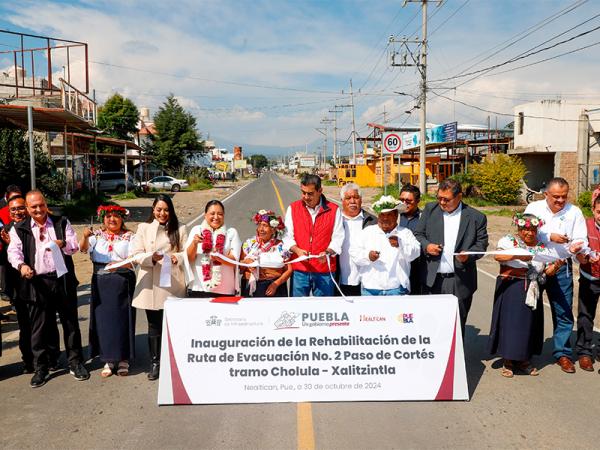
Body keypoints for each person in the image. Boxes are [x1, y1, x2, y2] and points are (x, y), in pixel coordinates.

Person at [7, 190, 89, 388]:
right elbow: (13, 252)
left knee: (70, 324)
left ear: (46, 204)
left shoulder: (61, 222)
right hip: (37, 282)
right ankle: (41, 367)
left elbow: (73, 246)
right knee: (39, 328)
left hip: (62, 280)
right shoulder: (19, 228)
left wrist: (62, 244)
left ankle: (75, 362)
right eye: (33, 207)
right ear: (27, 208)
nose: (38, 210)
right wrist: (22, 266)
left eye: (41, 205)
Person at [489, 213, 581, 377]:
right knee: (510, 324)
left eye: (533, 230)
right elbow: (498, 256)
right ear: (518, 228)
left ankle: (524, 359)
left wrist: (555, 267)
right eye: (525, 229)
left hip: (533, 287)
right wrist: (518, 255)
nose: (529, 233)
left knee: (528, 325)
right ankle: (509, 360)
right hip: (512, 286)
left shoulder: (543, 247)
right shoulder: (509, 241)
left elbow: (546, 271)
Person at [524, 177, 587, 373]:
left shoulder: (574, 212)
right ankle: (526, 353)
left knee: (564, 312)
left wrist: (578, 247)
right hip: (534, 266)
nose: (560, 201)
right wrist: (549, 236)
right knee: (530, 310)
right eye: (556, 197)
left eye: (564, 197)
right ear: (546, 195)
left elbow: (581, 239)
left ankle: (563, 353)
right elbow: (524, 232)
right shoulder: (534, 208)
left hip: (561, 268)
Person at [414, 179, 488, 338]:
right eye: (439, 198)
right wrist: (427, 246)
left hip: (459, 280)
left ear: (459, 197)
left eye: (446, 199)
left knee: (456, 325)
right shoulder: (430, 210)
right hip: (431, 279)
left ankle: (454, 361)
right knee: (430, 324)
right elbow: (418, 235)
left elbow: (481, 245)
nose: (441, 202)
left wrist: (467, 256)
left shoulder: (476, 217)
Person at [130, 194, 188, 381]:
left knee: (173, 324)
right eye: (158, 209)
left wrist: (176, 257)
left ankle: (175, 361)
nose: (162, 213)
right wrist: (151, 257)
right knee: (154, 325)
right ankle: (155, 363)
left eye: (166, 210)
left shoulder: (180, 228)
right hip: (151, 283)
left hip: (173, 283)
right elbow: (136, 254)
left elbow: (188, 253)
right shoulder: (143, 228)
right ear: (153, 209)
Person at [80, 205, 136, 378]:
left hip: (122, 282)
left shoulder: (130, 237)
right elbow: (82, 249)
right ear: (103, 219)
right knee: (104, 321)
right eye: (108, 216)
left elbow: (135, 259)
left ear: (122, 219)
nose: (112, 219)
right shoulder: (96, 236)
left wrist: (119, 265)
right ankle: (108, 359)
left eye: (116, 216)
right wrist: (84, 236)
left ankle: (124, 358)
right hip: (101, 282)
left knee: (122, 320)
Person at [282, 174, 344, 296]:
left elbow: (338, 237)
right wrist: (297, 250)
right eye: (303, 192)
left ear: (320, 191)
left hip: (324, 269)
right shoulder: (293, 208)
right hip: (300, 269)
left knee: (324, 309)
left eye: (310, 193)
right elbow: (287, 236)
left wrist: (327, 252)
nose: (305, 197)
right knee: (298, 310)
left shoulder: (334, 210)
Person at [350, 196, 420, 295]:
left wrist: (401, 244)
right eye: (382, 215)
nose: (385, 218)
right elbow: (354, 253)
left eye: (389, 215)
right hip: (370, 289)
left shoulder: (405, 233)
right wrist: (368, 256)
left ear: (396, 215)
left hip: (397, 289)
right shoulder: (367, 232)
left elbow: (416, 253)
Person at [185, 200, 241, 297]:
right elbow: (189, 258)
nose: (216, 217)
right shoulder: (197, 230)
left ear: (224, 215)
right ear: (205, 215)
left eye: (220, 214)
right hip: (198, 288)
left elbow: (235, 261)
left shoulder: (231, 233)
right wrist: (194, 243)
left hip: (225, 290)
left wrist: (219, 257)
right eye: (212, 213)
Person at [574, 195, 600, 372]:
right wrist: (583, 258)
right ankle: (584, 351)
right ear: (593, 210)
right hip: (589, 277)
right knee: (585, 315)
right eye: (599, 212)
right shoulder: (585, 224)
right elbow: (578, 250)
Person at [240, 210, 292, 297]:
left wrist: (276, 284)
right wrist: (246, 262)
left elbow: (289, 270)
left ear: (273, 230)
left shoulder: (281, 246)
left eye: (265, 226)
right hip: (251, 286)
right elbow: (240, 268)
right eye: (259, 225)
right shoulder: (249, 244)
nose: (261, 229)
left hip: (275, 287)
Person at [337, 183, 376, 296]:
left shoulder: (372, 221)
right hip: (340, 279)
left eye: (356, 197)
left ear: (361, 200)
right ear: (342, 200)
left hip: (366, 280)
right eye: (348, 198)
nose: (352, 201)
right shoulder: (335, 221)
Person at [399, 184, 423, 294]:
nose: (404, 203)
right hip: (398, 273)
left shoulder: (424, 219)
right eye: (402, 200)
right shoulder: (393, 217)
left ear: (418, 201)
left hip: (418, 272)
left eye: (408, 201)